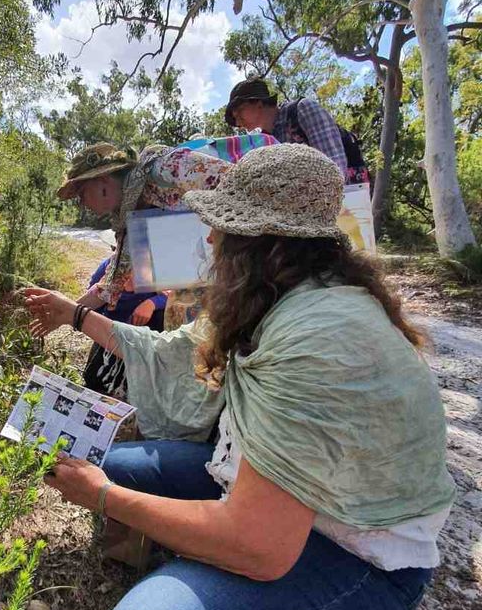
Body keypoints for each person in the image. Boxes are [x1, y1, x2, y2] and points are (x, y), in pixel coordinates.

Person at [22, 143, 453, 610]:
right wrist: (75, 316)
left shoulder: (313, 339)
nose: (211, 243)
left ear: (257, 243)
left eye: (221, 229)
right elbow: (170, 352)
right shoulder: (285, 298)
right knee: (114, 462)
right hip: (280, 502)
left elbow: (259, 546)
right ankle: (217, 589)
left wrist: (106, 499)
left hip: (357, 557)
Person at [56, 137, 274, 315]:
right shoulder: (130, 225)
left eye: (81, 195)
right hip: (223, 281)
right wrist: (65, 312)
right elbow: (110, 286)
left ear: (102, 182)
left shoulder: (165, 167)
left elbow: (240, 185)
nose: (82, 204)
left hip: (263, 256)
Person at [225, 77, 352, 179]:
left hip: (347, 198)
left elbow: (335, 167)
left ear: (258, 102)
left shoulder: (303, 109)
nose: (238, 121)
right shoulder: (264, 143)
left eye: (239, 111)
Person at [81, 255, 166, 397]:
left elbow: (175, 296)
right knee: (93, 383)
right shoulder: (109, 266)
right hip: (110, 335)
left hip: (141, 340)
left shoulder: (159, 269)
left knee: (161, 315)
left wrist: (151, 303)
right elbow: (90, 307)